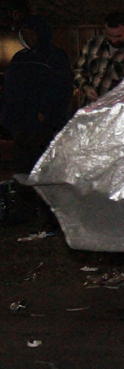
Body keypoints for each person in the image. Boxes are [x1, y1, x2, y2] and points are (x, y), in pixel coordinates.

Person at [0, 15, 72, 226]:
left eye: (33, 32)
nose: (29, 37)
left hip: (43, 125)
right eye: (26, 33)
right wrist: (8, 117)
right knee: (23, 169)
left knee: (44, 169)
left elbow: (61, 89)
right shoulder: (20, 58)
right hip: (21, 124)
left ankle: (51, 214)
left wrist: (47, 114)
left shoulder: (54, 58)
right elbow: (10, 91)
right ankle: (25, 210)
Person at [73, 11, 124, 106]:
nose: (113, 40)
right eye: (109, 35)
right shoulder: (94, 44)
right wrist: (86, 87)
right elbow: (78, 70)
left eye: (118, 36)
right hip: (89, 107)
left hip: (116, 112)